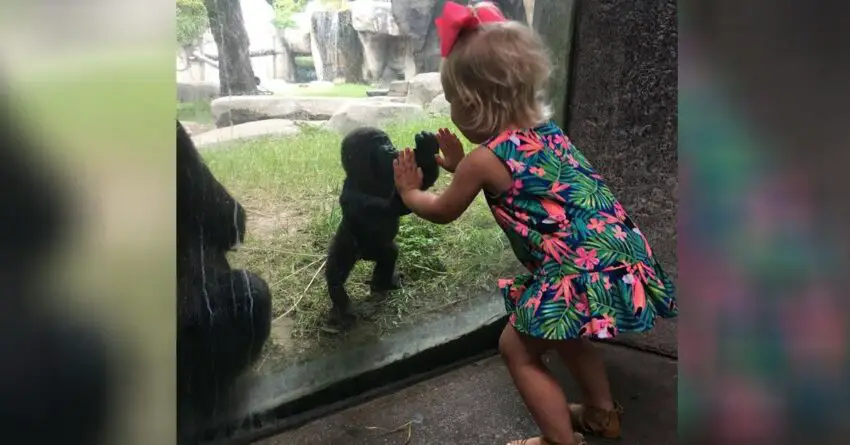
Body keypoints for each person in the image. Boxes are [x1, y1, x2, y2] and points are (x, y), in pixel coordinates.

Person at [392, 2, 678, 445]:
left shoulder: (484, 160)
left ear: (471, 104)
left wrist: (411, 193)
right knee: (565, 333)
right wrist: (461, 165)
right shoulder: (547, 132)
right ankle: (602, 415)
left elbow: (445, 209)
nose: (451, 112)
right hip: (619, 251)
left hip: (576, 269)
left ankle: (558, 440)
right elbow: (523, 180)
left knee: (516, 349)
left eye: (451, 101)